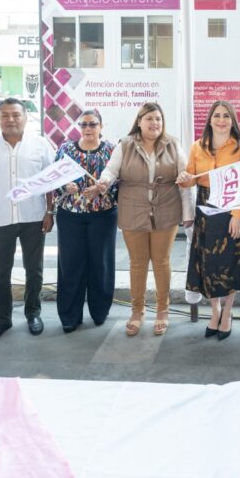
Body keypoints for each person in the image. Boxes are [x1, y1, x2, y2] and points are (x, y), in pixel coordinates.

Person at [86, 103, 193, 336]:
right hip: (133, 209)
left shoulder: (173, 144)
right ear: (139, 121)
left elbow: (185, 178)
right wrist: (103, 183)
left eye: (158, 119)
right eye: (149, 119)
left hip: (166, 209)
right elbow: (111, 171)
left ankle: (163, 311)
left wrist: (188, 213)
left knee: (162, 261)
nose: (155, 123)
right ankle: (137, 311)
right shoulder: (125, 145)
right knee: (138, 262)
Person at [0, 98, 55, 344]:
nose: (10, 119)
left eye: (16, 115)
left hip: (33, 217)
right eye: (4, 115)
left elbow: (50, 181)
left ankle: (33, 313)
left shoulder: (40, 145)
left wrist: (50, 212)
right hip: (0, 218)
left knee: (34, 270)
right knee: (0, 273)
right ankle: (1, 320)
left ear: (25, 117)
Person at [179, 101, 240, 341]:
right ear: (210, 120)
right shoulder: (197, 146)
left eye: (226, 116)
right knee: (209, 264)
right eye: (217, 115)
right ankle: (214, 312)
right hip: (206, 209)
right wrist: (185, 177)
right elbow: (192, 178)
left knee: (230, 264)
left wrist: (237, 216)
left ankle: (228, 312)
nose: (221, 120)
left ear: (232, 120)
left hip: (233, 209)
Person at [54, 109, 118, 333]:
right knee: (70, 265)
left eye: (92, 124)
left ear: (101, 126)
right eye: (84, 124)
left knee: (101, 264)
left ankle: (100, 311)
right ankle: (70, 316)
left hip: (103, 215)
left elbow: (121, 180)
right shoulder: (66, 149)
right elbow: (54, 179)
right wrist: (65, 186)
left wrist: (103, 188)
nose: (88, 128)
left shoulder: (111, 150)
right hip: (70, 215)